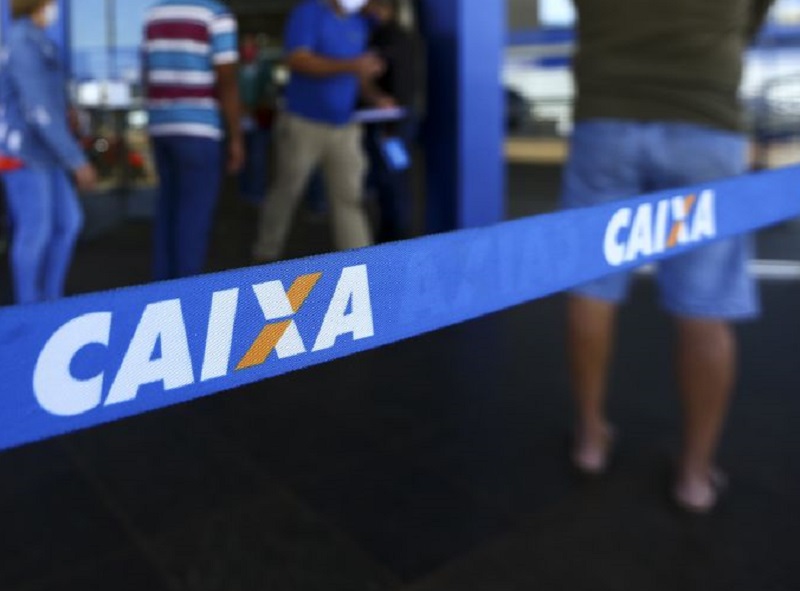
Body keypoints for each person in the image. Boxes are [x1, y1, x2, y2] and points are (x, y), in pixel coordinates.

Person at [563, 0, 774, 513]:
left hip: (605, 118)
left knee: (590, 286)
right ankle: (695, 476)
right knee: (706, 304)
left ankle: (591, 438)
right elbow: (751, 20)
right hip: (705, 121)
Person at [251, 0, 389, 263]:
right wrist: (351, 65)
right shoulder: (308, 13)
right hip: (304, 123)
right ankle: (265, 256)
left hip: (344, 126)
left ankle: (360, 263)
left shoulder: (358, 23)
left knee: (349, 197)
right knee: (287, 191)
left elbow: (358, 75)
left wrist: (375, 97)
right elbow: (298, 60)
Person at [0, 0, 97, 305]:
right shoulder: (21, 42)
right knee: (35, 232)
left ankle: (50, 302)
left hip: (48, 154)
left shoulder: (41, 42)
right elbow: (39, 109)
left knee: (67, 223)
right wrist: (76, 160)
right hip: (24, 154)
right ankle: (30, 309)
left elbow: (53, 103)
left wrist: (72, 115)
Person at [142, 0, 244, 281]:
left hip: (162, 126)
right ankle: (186, 293)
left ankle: (162, 290)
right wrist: (236, 137)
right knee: (194, 216)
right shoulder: (216, 14)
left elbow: (146, 72)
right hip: (199, 129)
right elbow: (227, 80)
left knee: (167, 211)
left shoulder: (154, 14)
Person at [363, 0, 424, 242]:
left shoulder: (393, 38)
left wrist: (393, 127)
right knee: (390, 181)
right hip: (392, 122)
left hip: (394, 124)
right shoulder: (392, 35)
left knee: (394, 181)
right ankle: (392, 235)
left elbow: (403, 83)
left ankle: (396, 238)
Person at [237, 33, 278, 207]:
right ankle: (244, 191)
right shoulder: (234, 71)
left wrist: (254, 108)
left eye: (251, 47)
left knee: (257, 158)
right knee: (241, 158)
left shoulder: (265, 71)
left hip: (260, 121)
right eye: (244, 47)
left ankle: (257, 192)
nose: (248, 51)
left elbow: (270, 94)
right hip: (238, 122)